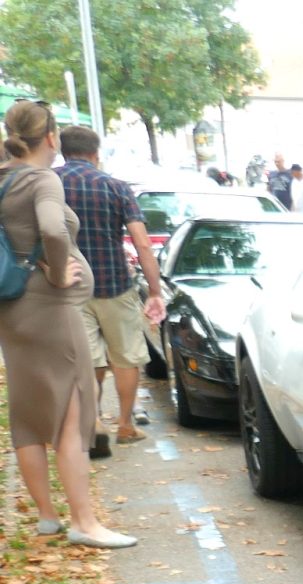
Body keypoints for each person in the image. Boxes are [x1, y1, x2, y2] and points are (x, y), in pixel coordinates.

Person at [0, 102, 134, 547]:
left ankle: (46, 517)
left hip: (12, 311)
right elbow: (54, 230)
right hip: (50, 310)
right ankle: (84, 523)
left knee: (27, 413)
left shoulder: (3, 178)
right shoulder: (42, 179)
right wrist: (57, 273)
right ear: (51, 138)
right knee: (72, 414)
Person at [56, 126, 163, 449]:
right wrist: (155, 291)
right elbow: (142, 243)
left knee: (87, 358)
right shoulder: (116, 187)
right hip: (115, 283)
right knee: (126, 357)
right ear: (95, 153)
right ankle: (126, 426)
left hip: (70, 285)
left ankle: (94, 422)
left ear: (62, 150)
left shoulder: (51, 183)